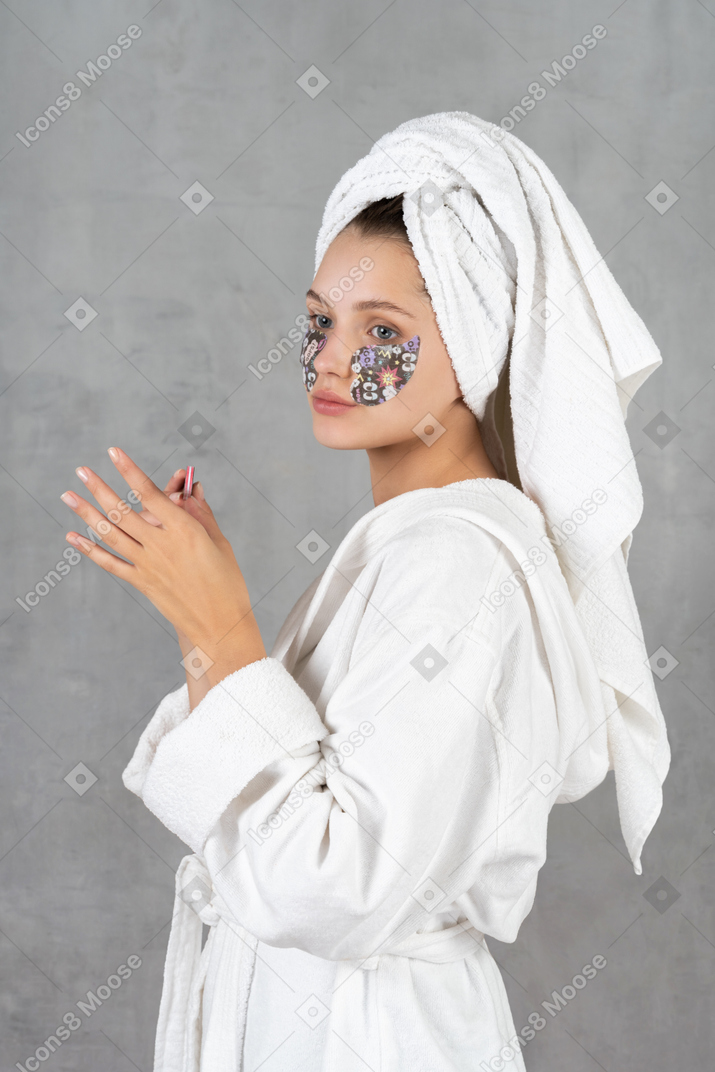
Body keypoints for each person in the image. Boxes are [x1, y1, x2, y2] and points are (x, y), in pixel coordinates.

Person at [61, 112, 670, 1072]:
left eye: (382, 330)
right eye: (319, 321)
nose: (334, 359)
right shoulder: (409, 545)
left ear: (476, 334)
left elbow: (338, 887)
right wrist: (204, 627)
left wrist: (216, 621)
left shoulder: (462, 565)